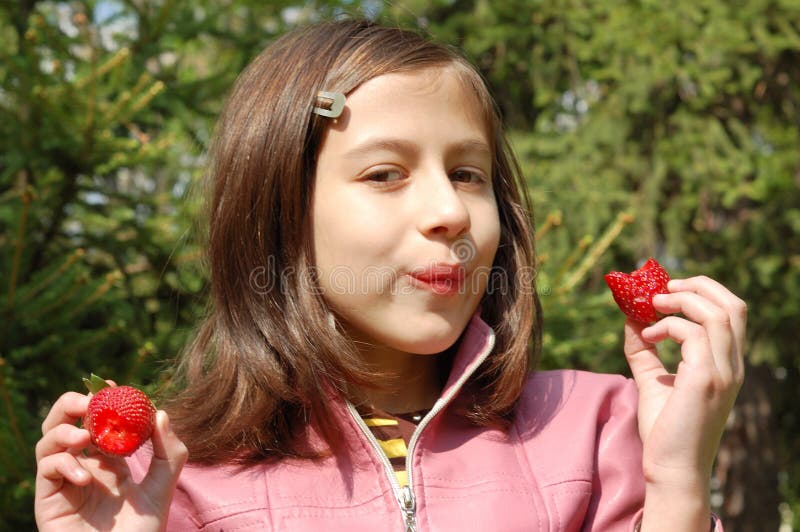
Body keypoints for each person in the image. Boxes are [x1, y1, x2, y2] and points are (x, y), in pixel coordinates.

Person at [34, 19, 746, 531]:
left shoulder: (601, 432)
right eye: (385, 173)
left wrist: (676, 479)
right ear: (277, 215)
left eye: (469, 174)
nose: (450, 211)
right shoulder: (171, 483)